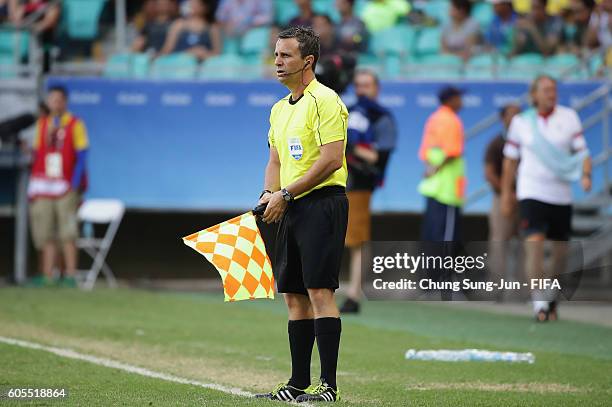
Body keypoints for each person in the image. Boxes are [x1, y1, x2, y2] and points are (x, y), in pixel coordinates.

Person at [255, 26, 348, 403]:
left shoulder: (326, 101)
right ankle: (297, 383)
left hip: (322, 202)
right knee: (293, 296)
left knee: (319, 291)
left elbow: (331, 160)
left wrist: (286, 194)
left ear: (308, 61)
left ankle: (328, 386)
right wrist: (268, 193)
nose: (278, 61)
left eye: (286, 55)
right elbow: (274, 160)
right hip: (288, 204)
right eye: (276, 55)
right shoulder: (278, 109)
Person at [501, 75, 592, 322]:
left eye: (554, 90)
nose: (551, 94)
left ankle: (550, 297)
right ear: (534, 95)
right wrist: (507, 194)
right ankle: (538, 301)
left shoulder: (569, 117)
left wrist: (585, 174)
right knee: (535, 246)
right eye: (546, 90)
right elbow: (510, 160)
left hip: (560, 194)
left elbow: (583, 151)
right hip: (532, 191)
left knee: (560, 253)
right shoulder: (521, 122)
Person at [339, 69, 397, 314]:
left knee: (356, 240)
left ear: (377, 88)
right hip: (336, 181)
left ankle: (354, 293)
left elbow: (379, 158)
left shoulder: (382, 118)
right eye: (358, 85)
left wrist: (352, 148)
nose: (362, 90)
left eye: (367, 85)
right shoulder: (348, 111)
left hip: (359, 184)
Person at [27, 86, 89, 288]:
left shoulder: (75, 124)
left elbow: (82, 155)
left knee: (67, 232)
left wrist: (74, 183)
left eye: (58, 99)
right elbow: (38, 153)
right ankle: (47, 275)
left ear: (65, 102)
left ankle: (70, 275)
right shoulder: (42, 124)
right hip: (45, 184)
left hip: (65, 185)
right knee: (45, 231)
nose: (55, 103)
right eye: (51, 99)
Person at [418, 86, 466, 242]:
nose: (461, 102)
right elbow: (452, 152)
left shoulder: (434, 118)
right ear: (451, 100)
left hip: (432, 186)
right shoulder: (452, 120)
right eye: (459, 98)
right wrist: (436, 168)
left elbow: (425, 152)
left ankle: (430, 266)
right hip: (447, 190)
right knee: (446, 237)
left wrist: (430, 170)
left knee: (431, 233)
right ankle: (441, 267)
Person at [484, 103, 521, 298]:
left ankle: (527, 293)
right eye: (512, 115)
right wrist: (506, 193)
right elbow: (489, 173)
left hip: (525, 199)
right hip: (502, 198)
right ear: (503, 119)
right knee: (499, 243)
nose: (516, 119)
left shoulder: (528, 142)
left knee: (528, 244)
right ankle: (495, 292)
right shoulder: (496, 143)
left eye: (519, 115)